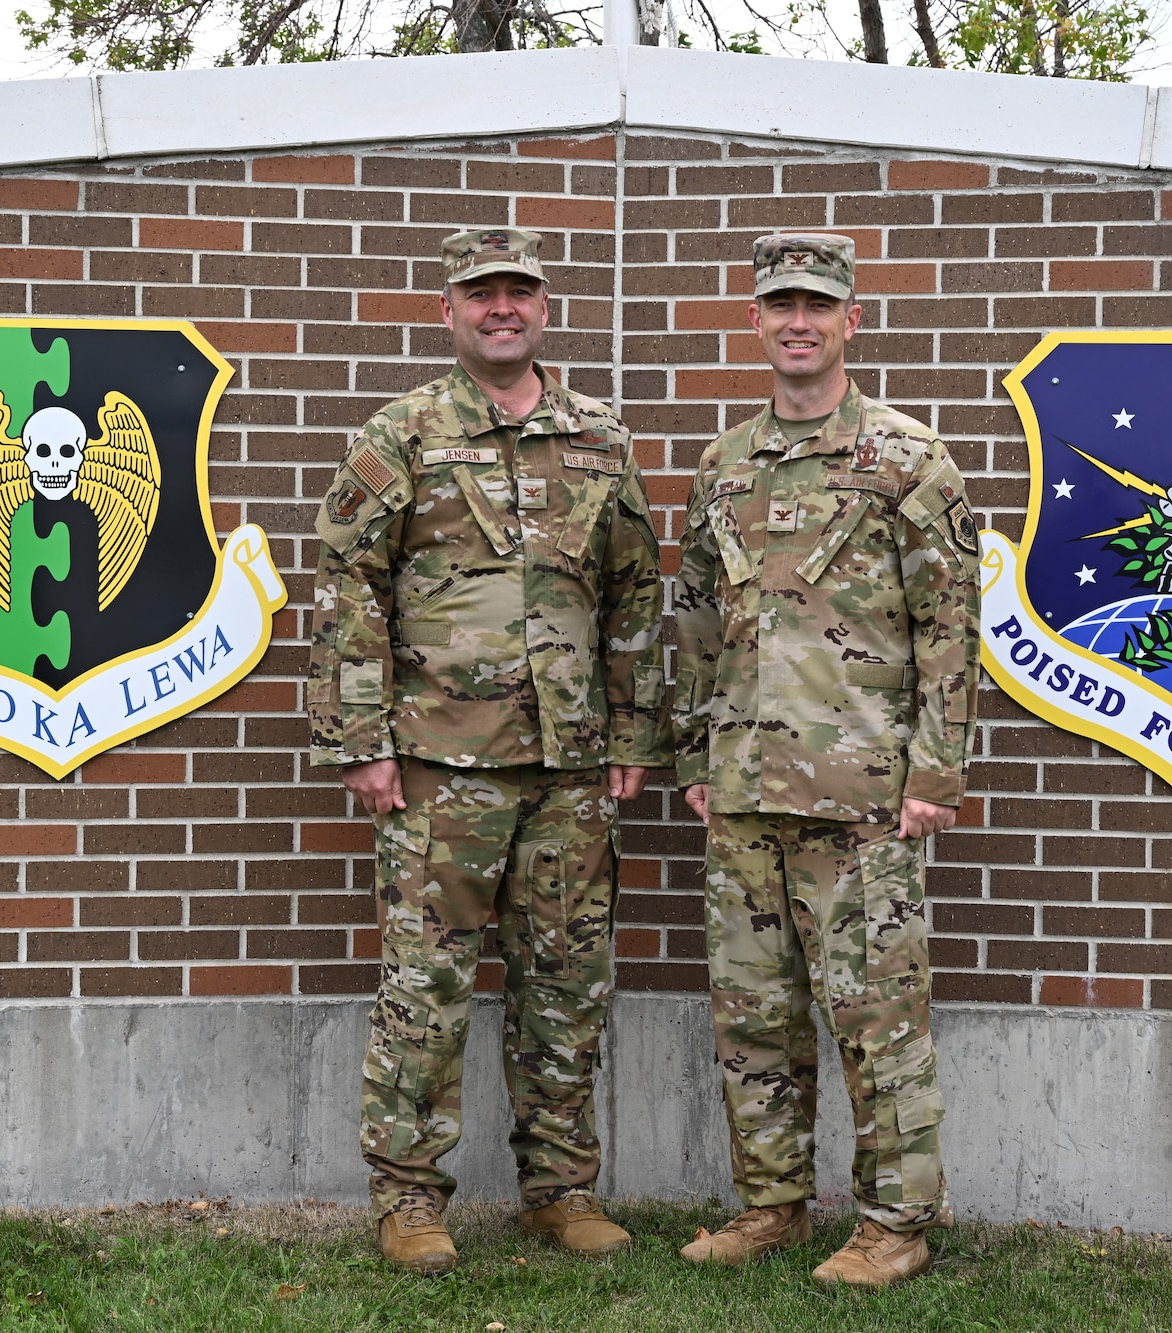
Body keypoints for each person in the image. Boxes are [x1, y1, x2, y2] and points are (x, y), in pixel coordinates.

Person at [306, 227, 668, 1275]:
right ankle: (409, 1198)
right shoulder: (402, 433)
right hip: (435, 765)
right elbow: (346, 590)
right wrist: (359, 741)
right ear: (448, 310)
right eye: (480, 293)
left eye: (518, 291)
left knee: (565, 982)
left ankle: (560, 1190)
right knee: (426, 987)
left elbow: (635, 595)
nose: (500, 307)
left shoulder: (600, 437)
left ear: (544, 307)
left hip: (570, 768)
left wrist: (635, 732)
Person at [672, 232, 982, 1288]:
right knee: (752, 1012)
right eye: (776, 304)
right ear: (753, 321)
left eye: (815, 303)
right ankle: (770, 1203)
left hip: (862, 796)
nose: (794, 320)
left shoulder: (904, 458)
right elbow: (695, 623)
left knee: (873, 1012)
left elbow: (949, 625)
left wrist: (936, 776)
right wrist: (690, 756)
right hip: (744, 787)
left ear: (851, 320)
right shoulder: (721, 466)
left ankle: (895, 1222)